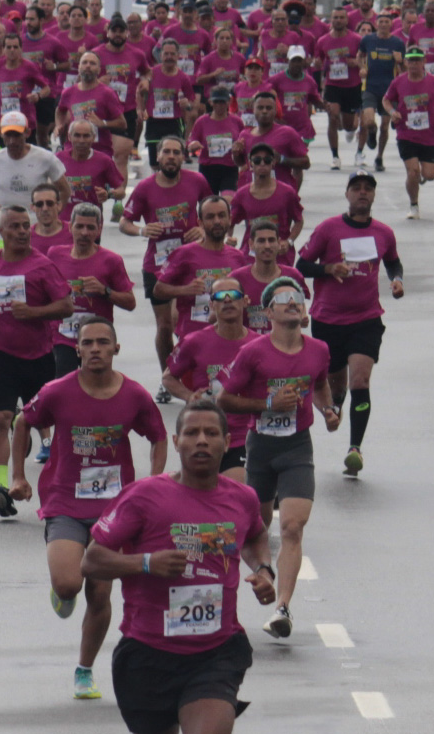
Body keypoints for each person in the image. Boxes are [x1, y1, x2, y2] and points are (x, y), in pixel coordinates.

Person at [83, 397, 277, 734]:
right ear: (180, 439)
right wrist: (144, 562)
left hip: (214, 653)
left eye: (211, 434)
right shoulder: (146, 497)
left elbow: (257, 535)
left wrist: (263, 572)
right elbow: (92, 558)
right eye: (191, 433)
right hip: (146, 655)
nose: (201, 443)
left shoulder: (241, 499)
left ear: (223, 441)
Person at [12, 317, 167, 701]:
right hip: (65, 501)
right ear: (76, 349)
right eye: (88, 343)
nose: (95, 348)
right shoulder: (57, 392)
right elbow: (21, 422)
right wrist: (17, 476)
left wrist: (154, 484)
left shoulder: (133, 396)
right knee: (69, 584)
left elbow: (159, 436)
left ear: (116, 349)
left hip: (115, 509)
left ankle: (84, 670)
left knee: (100, 595)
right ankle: (63, 593)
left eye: (103, 342)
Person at [216, 280, 337, 642]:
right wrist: (268, 405)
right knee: (256, 528)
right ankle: (250, 584)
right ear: (268, 313)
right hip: (261, 447)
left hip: (298, 447)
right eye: (283, 300)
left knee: (292, 528)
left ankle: (282, 607)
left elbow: (319, 384)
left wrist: (328, 409)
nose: (292, 303)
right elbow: (224, 400)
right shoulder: (253, 353)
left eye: (297, 299)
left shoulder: (318, 350)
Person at [0, 207, 75, 517]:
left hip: (37, 357)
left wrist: (35, 313)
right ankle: (1, 486)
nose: (24, 231)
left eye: (27, 225)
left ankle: (55, 487)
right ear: (2, 232)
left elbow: (67, 305)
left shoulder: (42, 266)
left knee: (42, 423)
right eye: (15, 226)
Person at [295, 172, 403, 478]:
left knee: (361, 382)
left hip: (367, 319)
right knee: (336, 383)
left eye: (368, 189)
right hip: (328, 319)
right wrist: (328, 268)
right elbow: (301, 264)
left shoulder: (383, 232)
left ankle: (355, 448)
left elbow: (394, 261)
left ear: (373, 196)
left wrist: (396, 280)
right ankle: (336, 402)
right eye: (356, 188)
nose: (362, 193)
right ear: (347, 194)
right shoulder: (329, 229)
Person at [120, 136, 211, 395]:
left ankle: (194, 375)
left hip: (191, 263)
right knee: (166, 326)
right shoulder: (145, 188)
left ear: (183, 157)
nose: (171, 156)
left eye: (176, 152)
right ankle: (167, 377)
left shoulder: (197, 182)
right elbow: (125, 222)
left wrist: (201, 229)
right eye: (166, 152)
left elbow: (214, 210)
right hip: (158, 266)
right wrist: (142, 230)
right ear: (157, 157)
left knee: (190, 321)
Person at [162, 278, 256, 483]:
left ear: (245, 301)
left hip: (242, 436)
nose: (228, 301)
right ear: (212, 305)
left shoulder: (258, 345)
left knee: (238, 493)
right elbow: (169, 377)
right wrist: (188, 396)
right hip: (203, 436)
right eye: (220, 297)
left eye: (234, 296)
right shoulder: (195, 341)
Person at [46, 203, 138, 376]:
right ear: (70, 227)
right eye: (79, 226)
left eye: (90, 227)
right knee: (63, 384)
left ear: (99, 230)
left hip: (96, 338)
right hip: (62, 336)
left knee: (94, 387)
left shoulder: (111, 260)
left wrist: (105, 291)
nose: (84, 233)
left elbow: (130, 302)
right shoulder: (55, 255)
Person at [155, 196, 243, 342]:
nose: (217, 221)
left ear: (230, 219)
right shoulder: (184, 253)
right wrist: (185, 290)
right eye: (210, 217)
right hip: (193, 337)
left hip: (228, 337)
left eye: (221, 216)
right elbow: (158, 290)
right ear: (200, 222)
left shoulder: (238, 257)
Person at [382, 48, 434, 220]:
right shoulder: (398, 82)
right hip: (407, 134)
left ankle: (419, 179)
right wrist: (392, 112)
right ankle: (414, 205)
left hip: (430, 135)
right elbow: (386, 100)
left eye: (417, 60)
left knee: (429, 175)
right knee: (413, 171)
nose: (414, 64)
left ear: (424, 62)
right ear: (405, 62)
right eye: (410, 61)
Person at [92, 16, 152, 186]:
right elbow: (83, 79)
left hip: (126, 111)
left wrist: (145, 80)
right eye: (114, 31)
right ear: (108, 32)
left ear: (126, 33)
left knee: (121, 156)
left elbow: (147, 72)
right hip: (101, 111)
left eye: (121, 31)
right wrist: (97, 82)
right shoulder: (96, 54)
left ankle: (119, 200)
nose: (117, 34)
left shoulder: (137, 54)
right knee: (99, 156)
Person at [0, 112, 68, 218]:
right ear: (0, 133)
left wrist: (55, 212)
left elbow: (64, 190)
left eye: (17, 135)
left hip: (34, 223)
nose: (12, 141)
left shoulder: (45, 158)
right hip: (1, 224)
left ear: (27, 133)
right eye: (8, 135)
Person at [228, 222, 306, 333]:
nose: (267, 246)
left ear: (279, 243)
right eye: (261, 241)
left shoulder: (293, 276)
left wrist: (301, 316)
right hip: (249, 347)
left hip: (284, 347)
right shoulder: (235, 279)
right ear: (251, 244)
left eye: (271, 240)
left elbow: (303, 314)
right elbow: (218, 318)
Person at [315, 6, 368, 170]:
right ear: (331, 20)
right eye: (335, 17)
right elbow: (319, 62)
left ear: (347, 20)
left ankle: (351, 130)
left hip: (352, 85)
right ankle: (335, 156)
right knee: (333, 117)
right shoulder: (323, 41)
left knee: (349, 125)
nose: (338, 20)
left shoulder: (356, 39)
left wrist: (356, 63)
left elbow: (364, 61)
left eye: (341, 18)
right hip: (333, 85)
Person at [234, 91, 310, 190]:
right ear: (253, 110)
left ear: (275, 111)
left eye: (268, 108)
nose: (264, 111)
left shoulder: (287, 133)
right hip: (252, 191)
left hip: (279, 192)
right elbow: (241, 163)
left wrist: (282, 159)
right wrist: (236, 153)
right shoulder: (244, 135)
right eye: (260, 108)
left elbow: (306, 163)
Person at [141, 40, 199, 166]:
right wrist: (140, 110)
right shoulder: (152, 73)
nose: (169, 57)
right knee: (155, 163)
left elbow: (192, 102)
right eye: (166, 54)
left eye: (172, 54)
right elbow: (139, 91)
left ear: (178, 55)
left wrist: (187, 104)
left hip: (174, 123)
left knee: (173, 162)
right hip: (154, 122)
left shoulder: (183, 77)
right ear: (160, 55)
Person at [19, 5, 70, 146]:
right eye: (26, 19)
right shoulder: (20, 42)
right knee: (25, 131)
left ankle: (44, 151)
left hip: (46, 93)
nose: (28, 23)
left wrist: (54, 66)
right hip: (25, 94)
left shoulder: (52, 42)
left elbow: (67, 64)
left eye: (32, 19)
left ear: (41, 20)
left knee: (41, 134)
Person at [360, 18, 406, 171]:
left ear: (391, 25)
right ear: (377, 24)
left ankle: (379, 157)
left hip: (389, 90)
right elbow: (359, 55)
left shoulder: (397, 43)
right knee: (368, 121)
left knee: (385, 126)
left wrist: (399, 61)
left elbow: (405, 68)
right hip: (370, 87)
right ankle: (371, 133)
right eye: (381, 21)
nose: (384, 24)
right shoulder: (368, 40)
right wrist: (362, 68)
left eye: (387, 21)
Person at [59, 118, 126, 212]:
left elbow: (121, 191)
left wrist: (109, 194)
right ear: (69, 137)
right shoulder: (58, 159)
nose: (81, 140)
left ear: (93, 137)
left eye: (86, 136)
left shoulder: (104, 161)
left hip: (90, 221)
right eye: (77, 135)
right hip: (62, 220)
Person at [187, 85, 245, 195]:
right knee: (209, 203)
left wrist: (240, 149)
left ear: (229, 102)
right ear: (210, 102)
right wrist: (193, 145)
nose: (219, 105)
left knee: (228, 200)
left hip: (229, 168)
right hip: (208, 168)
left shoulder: (236, 121)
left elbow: (244, 141)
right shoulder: (202, 121)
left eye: (222, 102)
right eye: (216, 102)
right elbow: (191, 142)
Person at [268, 46, 323, 150]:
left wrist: (326, 106)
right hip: (283, 124)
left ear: (304, 62)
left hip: (302, 126)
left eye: (299, 60)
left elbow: (315, 99)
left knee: (299, 156)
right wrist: (274, 118)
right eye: (294, 60)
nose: (297, 64)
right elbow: (266, 97)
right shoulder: (276, 80)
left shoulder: (309, 81)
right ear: (288, 61)